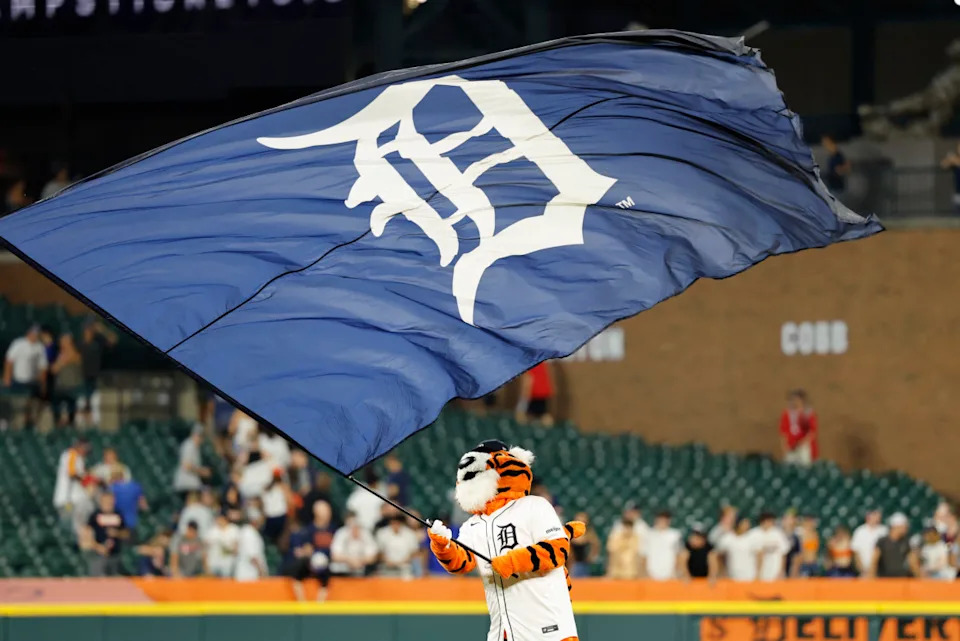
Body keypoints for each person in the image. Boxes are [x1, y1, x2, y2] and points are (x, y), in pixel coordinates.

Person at [3, 324, 48, 428]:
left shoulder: (39, 347)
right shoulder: (18, 344)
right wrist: (7, 378)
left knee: (32, 406)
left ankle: (30, 424)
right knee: (17, 407)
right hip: (18, 381)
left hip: (32, 382)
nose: (35, 336)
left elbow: (43, 367)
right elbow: (9, 362)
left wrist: (43, 383)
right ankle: (16, 425)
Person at [77, 320, 116, 427]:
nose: (88, 332)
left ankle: (94, 424)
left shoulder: (98, 343)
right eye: (87, 330)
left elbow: (113, 339)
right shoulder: (80, 344)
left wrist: (102, 329)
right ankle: (82, 424)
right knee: (82, 401)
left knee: (95, 400)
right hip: (82, 378)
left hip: (95, 377)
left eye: (90, 330)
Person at [86, 492, 129, 576]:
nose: (109, 503)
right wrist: (98, 547)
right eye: (106, 501)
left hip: (115, 555)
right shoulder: (95, 515)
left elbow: (126, 533)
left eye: (111, 500)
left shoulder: (118, 514)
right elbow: (87, 534)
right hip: (98, 555)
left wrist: (117, 533)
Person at [49, 334, 84, 428]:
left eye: (64, 342)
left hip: (73, 388)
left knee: (71, 405)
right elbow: (53, 369)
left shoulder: (74, 353)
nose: (61, 344)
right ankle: (58, 424)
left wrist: (60, 360)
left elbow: (56, 367)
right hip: (60, 388)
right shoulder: (61, 354)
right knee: (55, 403)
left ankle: (70, 424)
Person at [53, 436, 90, 521]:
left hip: (74, 500)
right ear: (78, 446)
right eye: (84, 447)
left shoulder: (79, 457)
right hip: (67, 500)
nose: (85, 450)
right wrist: (87, 480)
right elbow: (72, 473)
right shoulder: (71, 454)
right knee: (68, 525)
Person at [330, 512, 378, 576]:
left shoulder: (365, 533)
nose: (354, 528)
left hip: (363, 570)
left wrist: (359, 560)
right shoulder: (341, 533)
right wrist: (349, 560)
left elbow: (372, 557)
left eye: (356, 525)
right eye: (351, 525)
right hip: (342, 571)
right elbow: (335, 556)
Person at [873, 513, 918, 578]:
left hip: (902, 579)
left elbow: (913, 562)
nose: (906, 529)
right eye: (904, 526)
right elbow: (874, 561)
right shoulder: (882, 542)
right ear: (896, 527)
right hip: (884, 579)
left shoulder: (906, 542)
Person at [779, 389, 818, 465]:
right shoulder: (786, 413)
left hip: (804, 448)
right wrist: (785, 448)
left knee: (805, 465)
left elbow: (812, 433)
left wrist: (800, 444)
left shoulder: (808, 413)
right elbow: (783, 433)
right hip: (790, 448)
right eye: (792, 400)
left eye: (796, 400)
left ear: (802, 401)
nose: (794, 402)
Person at [641, 511, 683, 580]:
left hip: (670, 575)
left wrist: (675, 571)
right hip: (652, 574)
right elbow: (644, 555)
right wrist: (645, 573)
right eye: (661, 519)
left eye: (665, 519)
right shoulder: (648, 534)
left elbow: (678, 555)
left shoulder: (675, 535)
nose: (662, 521)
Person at [605, 505, 643, 579]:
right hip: (616, 572)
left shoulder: (636, 538)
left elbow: (637, 556)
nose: (627, 530)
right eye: (626, 527)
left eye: (629, 527)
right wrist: (609, 572)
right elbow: (611, 554)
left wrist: (640, 573)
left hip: (631, 573)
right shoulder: (615, 537)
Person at [173, 426, 211, 499]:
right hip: (186, 485)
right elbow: (186, 466)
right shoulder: (189, 445)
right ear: (193, 435)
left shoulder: (195, 447)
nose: (200, 438)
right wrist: (202, 471)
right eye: (198, 435)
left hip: (191, 485)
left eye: (201, 436)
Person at [716, 517, 758, 582]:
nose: (747, 526)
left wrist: (757, 573)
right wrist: (722, 571)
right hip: (732, 575)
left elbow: (759, 555)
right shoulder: (728, 538)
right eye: (744, 524)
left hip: (750, 575)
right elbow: (719, 555)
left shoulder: (752, 537)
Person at [515, 361, 555, 426]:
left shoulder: (528, 363)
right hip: (542, 390)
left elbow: (528, 381)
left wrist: (523, 399)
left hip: (534, 392)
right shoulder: (541, 360)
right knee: (542, 414)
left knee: (528, 416)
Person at [110, 465, 147, 534]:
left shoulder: (111, 489)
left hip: (117, 523)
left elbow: (109, 506)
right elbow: (144, 506)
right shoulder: (135, 486)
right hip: (132, 523)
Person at [754, 512, 791, 581]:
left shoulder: (778, 534)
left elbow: (783, 554)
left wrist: (781, 571)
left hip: (775, 572)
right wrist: (757, 573)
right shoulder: (754, 533)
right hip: (760, 573)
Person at [851, 510, 888, 577]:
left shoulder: (884, 531)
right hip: (863, 570)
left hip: (880, 570)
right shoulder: (860, 531)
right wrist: (861, 569)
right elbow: (856, 552)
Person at [204, 511, 240, 578]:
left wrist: (228, 550)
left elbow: (236, 548)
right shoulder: (212, 531)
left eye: (220, 519)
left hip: (227, 563)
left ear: (225, 519)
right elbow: (205, 547)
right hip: (213, 562)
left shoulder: (233, 529)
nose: (218, 521)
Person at [569, 511, 600, 578]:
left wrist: (591, 556)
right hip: (574, 563)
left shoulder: (589, 532)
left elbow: (596, 544)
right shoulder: (571, 532)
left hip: (584, 563)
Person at [821, 134, 851, 199]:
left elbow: (845, 168)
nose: (825, 146)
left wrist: (841, 169)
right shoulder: (832, 156)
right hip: (832, 185)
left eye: (827, 144)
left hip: (836, 188)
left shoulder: (838, 156)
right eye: (825, 144)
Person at [940, 141, 960, 214]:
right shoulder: (954, 159)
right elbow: (943, 165)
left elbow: (958, 162)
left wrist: (955, 160)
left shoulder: (955, 160)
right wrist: (949, 159)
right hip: (957, 195)